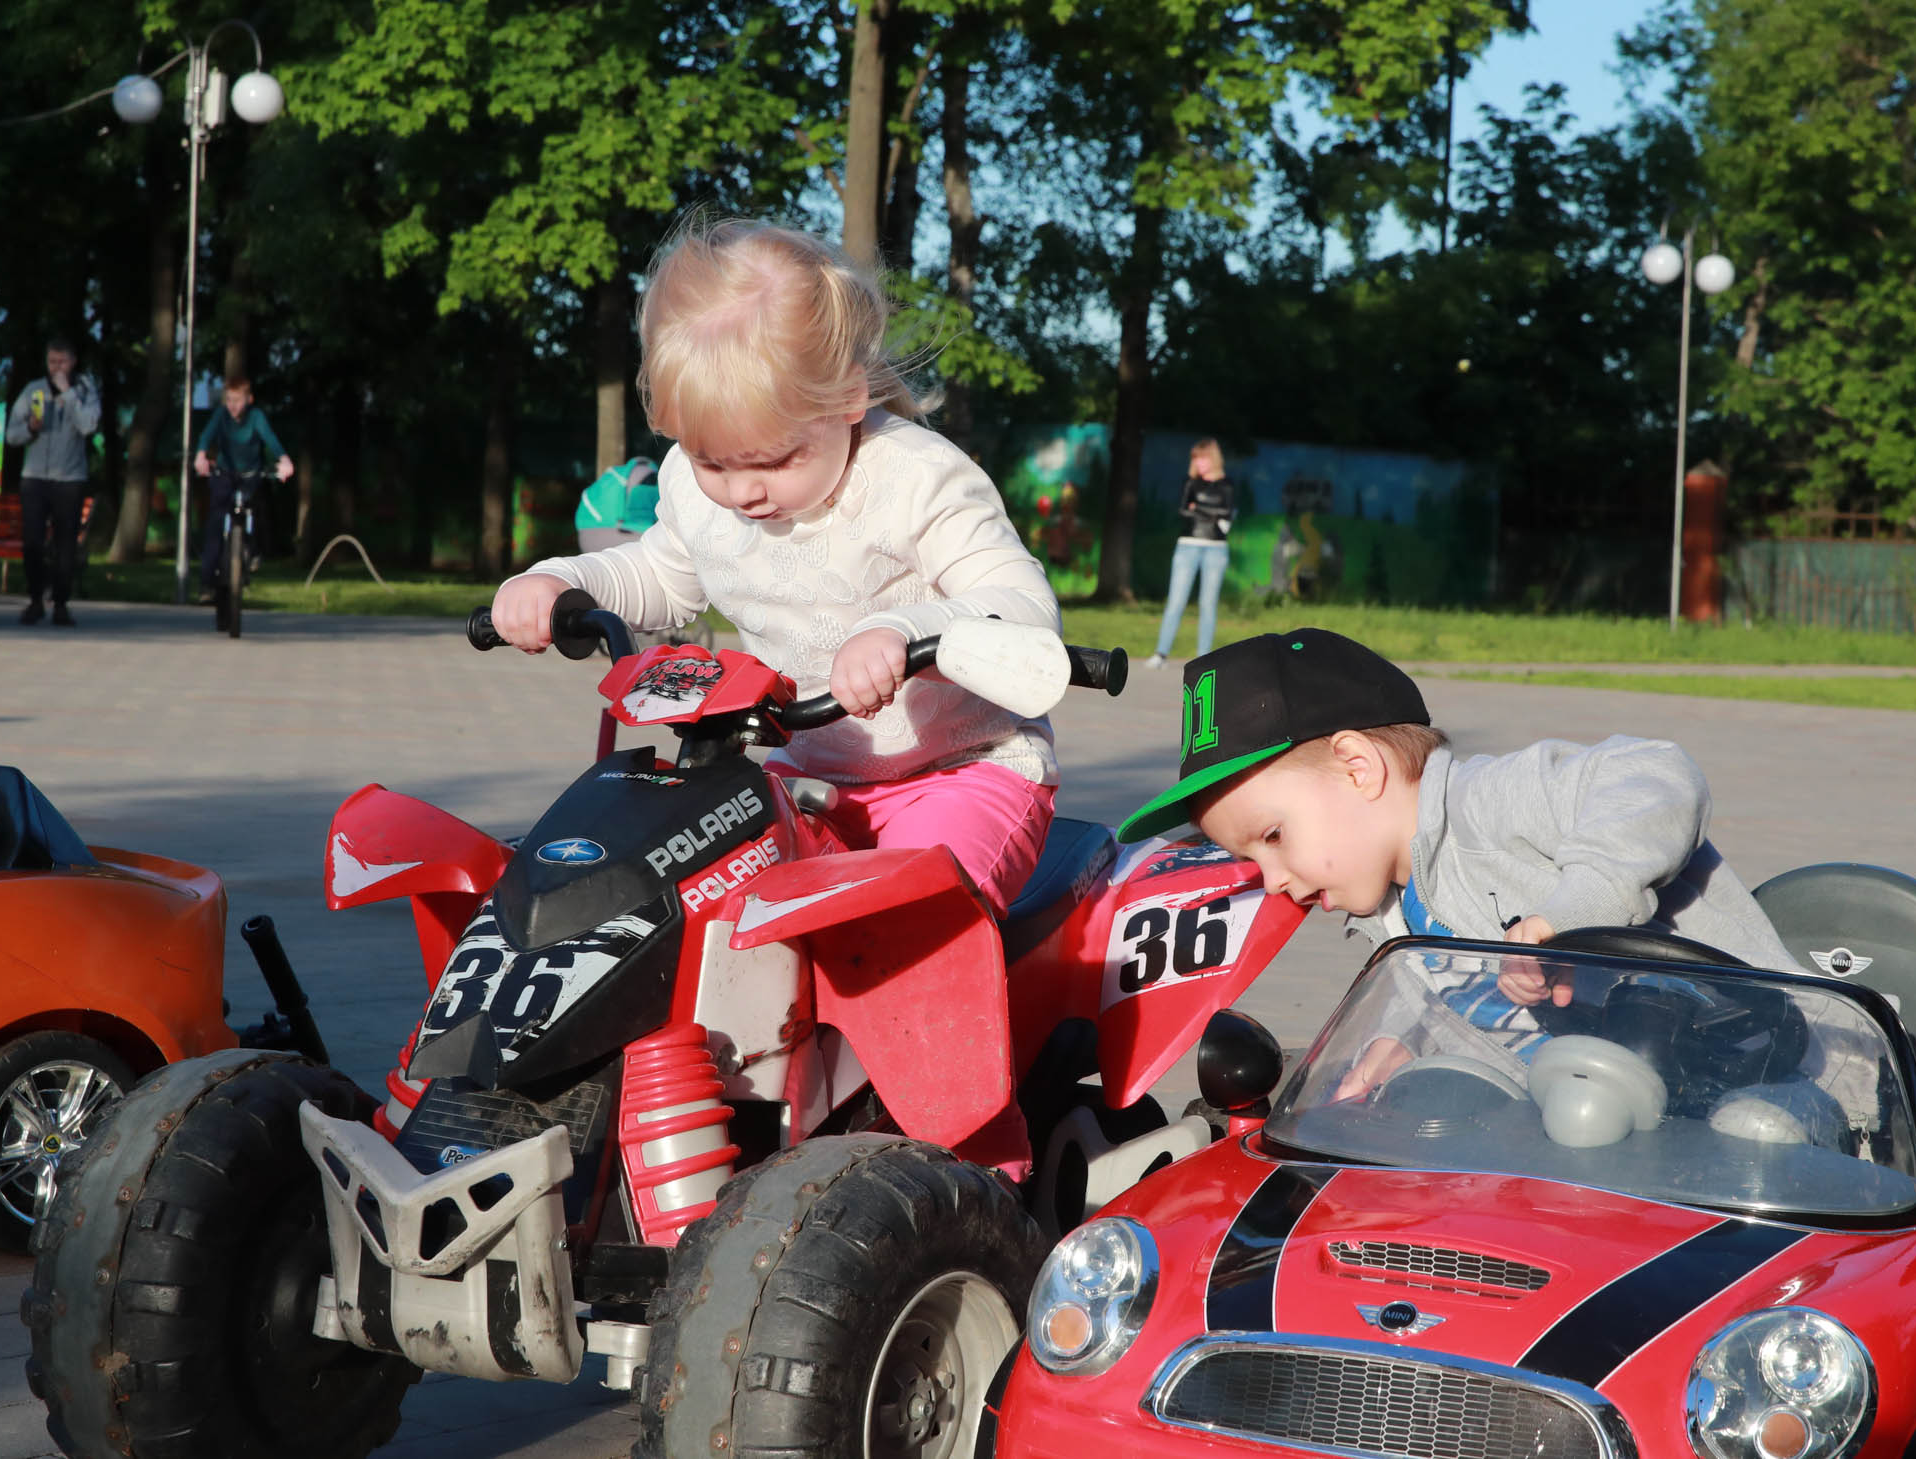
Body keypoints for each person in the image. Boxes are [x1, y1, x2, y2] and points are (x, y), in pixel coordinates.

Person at [491, 217, 1061, 919]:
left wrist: (903, 632)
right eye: (712, 461)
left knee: (905, 922)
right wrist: (560, 583)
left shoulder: (917, 478)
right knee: (701, 913)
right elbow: (661, 576)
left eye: (775, 460)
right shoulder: (691, 485)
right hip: (804, 774)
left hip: (959, 773)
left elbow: (1022, 605)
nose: (742, 492)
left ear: (848, 397)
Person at [1116, 628, 1808, 1098]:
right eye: (1249, 858)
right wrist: (1404, 1041)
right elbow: (1466, 1010)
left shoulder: (1488, 804)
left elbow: (1657, 774)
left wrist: (1573, 914)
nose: (1272, 881)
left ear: (1358, 767)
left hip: (1772, 1072)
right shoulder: (1396, 919)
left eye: (1272, 836)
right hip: (1628, 1121)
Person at [3, 339, 101, 626]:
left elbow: (88, 426)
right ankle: (35, 600)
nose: (57, 368)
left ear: (73, 362)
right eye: (52, 362)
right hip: (35, 478)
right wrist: (29, 429)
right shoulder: (33, 390)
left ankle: (60, 603)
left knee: (65, 544)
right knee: (32, 542)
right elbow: (12, 435)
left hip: (69, 479)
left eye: (63, 362)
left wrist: (68, 394)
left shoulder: (84, 391)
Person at [192, 376, 294, 606]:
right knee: (215, 525)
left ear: (249, 399)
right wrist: (201, 456)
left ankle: (254, 551)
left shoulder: (256, 417)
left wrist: (284, 460)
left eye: (237, 400)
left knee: (257, 509)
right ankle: (206, 585)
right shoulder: (221, 416)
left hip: (250, 476)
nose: (232, 405)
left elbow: (270, 439)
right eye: (229, 400)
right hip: (224, 475)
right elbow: (206, 436)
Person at [1144, 437, 1235, 669]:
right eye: (1196, 459)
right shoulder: (1190, 483)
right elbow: (1184, 511)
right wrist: (1212, 513)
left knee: (1208, 605)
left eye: (1203, 459)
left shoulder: (1227, 485)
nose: (1199, 464)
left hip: (1216, 549)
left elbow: (1227, 513)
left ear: (1213, 458)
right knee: (1176, 601)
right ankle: (1160, 654)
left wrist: (1199, 509)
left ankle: (1204, 659)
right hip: (1187, 546)